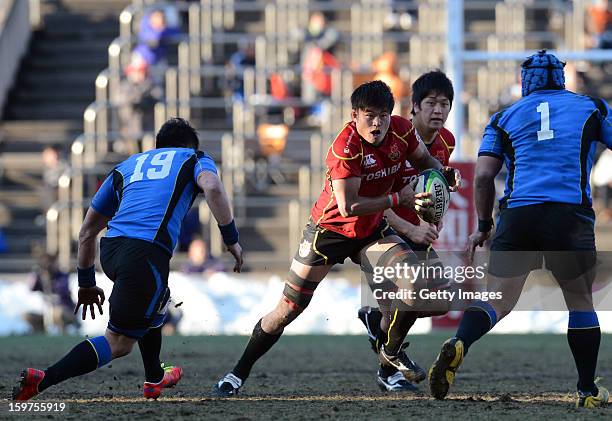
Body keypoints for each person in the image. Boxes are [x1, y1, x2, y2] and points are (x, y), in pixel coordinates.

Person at [214, 80, 460, 397]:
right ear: (354, 115)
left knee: (415, 283)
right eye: (369, 115)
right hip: (329, 232)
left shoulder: (401, 131)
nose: (377, 123)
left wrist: (443, 172)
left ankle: (388, 358)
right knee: (287, 309)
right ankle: (237, 374)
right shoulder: (345, 147)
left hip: (371, 232)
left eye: (383, 115)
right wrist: (399, 199)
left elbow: (426, 160)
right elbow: (349, 206)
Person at [12, 117, 244, 401]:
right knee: (119, 343)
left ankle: (154, 378)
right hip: (144, 254)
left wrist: (86, 282)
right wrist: (231, 238)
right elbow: (214, 187)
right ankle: (43, 380)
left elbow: (87, 232)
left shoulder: (128, 165)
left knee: (158, 297)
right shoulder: (194, 157)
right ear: (188, 146)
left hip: (111, 251)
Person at [428, 50, 611, 408]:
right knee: (580, 302)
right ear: (561, 77)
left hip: (518, 215)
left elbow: (482, 176)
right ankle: (587, 392)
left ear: (524, 81)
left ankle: (461, 342)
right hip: (569, 215)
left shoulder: (503, 117)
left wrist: (483, 225)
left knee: (497, 300)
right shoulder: (593, 107)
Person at [357, 70, 456, 392]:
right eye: (431, 103)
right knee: (406, 302)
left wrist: (433, 220)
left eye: (445, 103)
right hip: (385, 232)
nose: (438, 110)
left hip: (416, 232)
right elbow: (371, 195)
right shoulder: (394, 135)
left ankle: (378, 328)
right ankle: (388, 372)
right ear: (414, 107)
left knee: (441, 300)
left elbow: (437, 189)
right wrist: (409, 229)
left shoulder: (447, 142)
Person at [24, 253, 78, 334]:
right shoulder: (41, 277)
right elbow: (31, 288)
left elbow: (63, 290)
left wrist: (51, 282)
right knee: (27, 315)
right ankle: (40, 332)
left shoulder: (62, 276)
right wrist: (36, 275)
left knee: (57, 313)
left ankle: (63, 332)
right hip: (47, 312)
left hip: (65, 310)